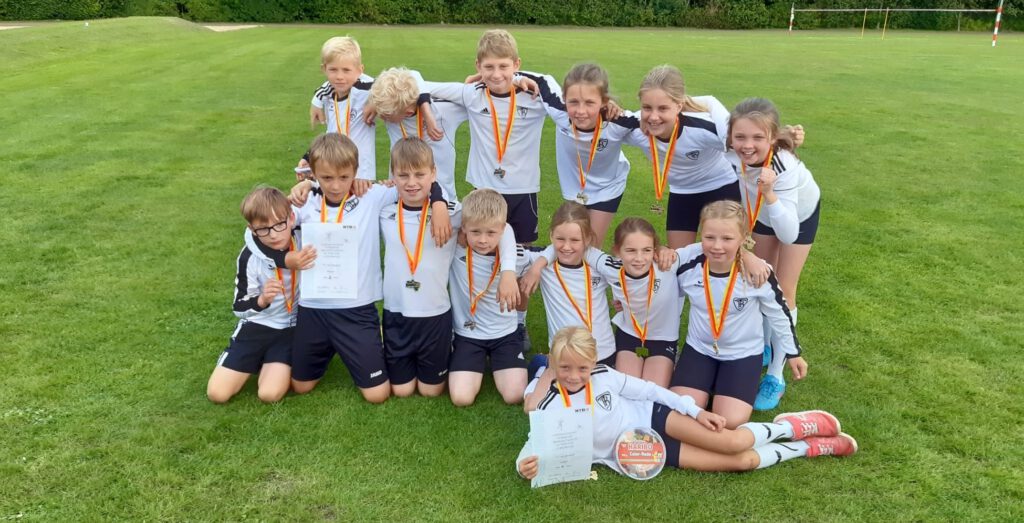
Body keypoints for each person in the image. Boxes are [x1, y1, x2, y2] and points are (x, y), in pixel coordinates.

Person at [516, 327, 857, 479]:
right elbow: (535, 443)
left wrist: (694, 410)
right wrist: (523, 465)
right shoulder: (548, 403)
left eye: (582, 367)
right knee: (741, 462)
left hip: (657, 418)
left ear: (593, 363)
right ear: (554, 368)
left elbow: (650, 390)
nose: (574, 375)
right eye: (565, 368)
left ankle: (792, 425)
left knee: (734, 440)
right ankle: (808, 448)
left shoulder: (604, 375)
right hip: (639, 450)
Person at [273, 134, 450, 403]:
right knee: (300, 386)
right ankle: (312, 349)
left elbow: (418, 185)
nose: (335, 185)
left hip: (357, 309)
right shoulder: (305, 202)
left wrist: (438, 202)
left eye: (344, 177)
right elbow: (267, 228)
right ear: (315, 174)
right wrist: (305, 186)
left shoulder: (372, 195)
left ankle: (349, 347)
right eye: (326, 178)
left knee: (377, 395)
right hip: (314, 307)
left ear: (356, 172)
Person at [379, 138, 518, 398]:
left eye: (420, 174)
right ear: (393, 176)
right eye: (403, 175)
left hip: (436, 315)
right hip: (396, 311)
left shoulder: (454, 214)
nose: (411, 182)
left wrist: (508, 271)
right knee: (402, 390)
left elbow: (503, 227)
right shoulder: (383, 210)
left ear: (433, 173)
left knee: (431, 391)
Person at [670, 200, 807, 428]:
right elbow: (650, 268)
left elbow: (779, 314)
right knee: (683, 410)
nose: (717, 246)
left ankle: (720, 386)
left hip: (742, 354)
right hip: (700, 349)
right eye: (709, 237)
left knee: (730, 420)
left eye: (727, 239)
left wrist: (794, 353)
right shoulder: (686, 262)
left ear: (743, 239)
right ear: (700, 234)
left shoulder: (758, 273)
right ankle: (708, 383)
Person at [726, 98, 821, 411]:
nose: (747, 145)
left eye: (757, 138)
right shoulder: (728, 151)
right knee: (760, 280)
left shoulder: (784, 166)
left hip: (797, 214)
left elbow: (788, 233)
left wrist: (769, 194)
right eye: (740, 137)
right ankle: (765, 344)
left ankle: (776, 374)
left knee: (783, 288)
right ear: (730, 136)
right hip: (761, 214)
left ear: (771, 139)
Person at [298, 36, 439, 182]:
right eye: (333, 70)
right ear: (324, 69)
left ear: (360, 70)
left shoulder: (367, 89)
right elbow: (331, 133)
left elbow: (409, 75)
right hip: (334, 168)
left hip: (362, 174)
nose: (339, 76)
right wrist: (309, 156)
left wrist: (373, 101)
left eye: (346, 70)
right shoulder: (328, 97)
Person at [207, 187, 301, 404]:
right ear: (252, 229)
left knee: (269, 395)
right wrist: (261, 300)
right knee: (217, 394)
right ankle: (250, 357)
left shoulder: (303, 239)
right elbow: (238, 307)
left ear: (292, 218)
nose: (274, 234)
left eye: (280, 224)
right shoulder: (249, 256)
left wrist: (306, 184)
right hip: (257, 327)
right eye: (264, 229)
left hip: (290, 329)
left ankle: (269, 362)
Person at [448, 189, 533, 406]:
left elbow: (551, 254)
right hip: (468, 333)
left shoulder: (517, 257)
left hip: (504, 334)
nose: (483, 240)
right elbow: (447, 215)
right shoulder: (455, 248)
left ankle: (538, 365)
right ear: (464, 228)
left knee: (514, 395)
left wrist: (509, 271)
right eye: (475, 232)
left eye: (491, 233)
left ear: (503, 231)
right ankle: (475, 361)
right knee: (461, 398)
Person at [530, 63, 633, 242]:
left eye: (590, 103)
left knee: (590, 246)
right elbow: (541, 79)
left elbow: (655, 119)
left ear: (604, 101)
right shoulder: (558, 110)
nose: (580, 111)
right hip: (574, 189)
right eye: (574, 102)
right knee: (572, 242)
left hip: (607, 187)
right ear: (564, 98)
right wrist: (516, 78)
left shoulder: (617, 122)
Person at [369, 67, 466, 203]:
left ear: (408, 113)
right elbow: (403, 77)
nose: (382, 118)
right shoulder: (393, 104)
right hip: (401, 195)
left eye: (386, 116)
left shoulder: (444, 108)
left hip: (442, 199)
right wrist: (372, 104)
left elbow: (475, 94)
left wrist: (427, 111)